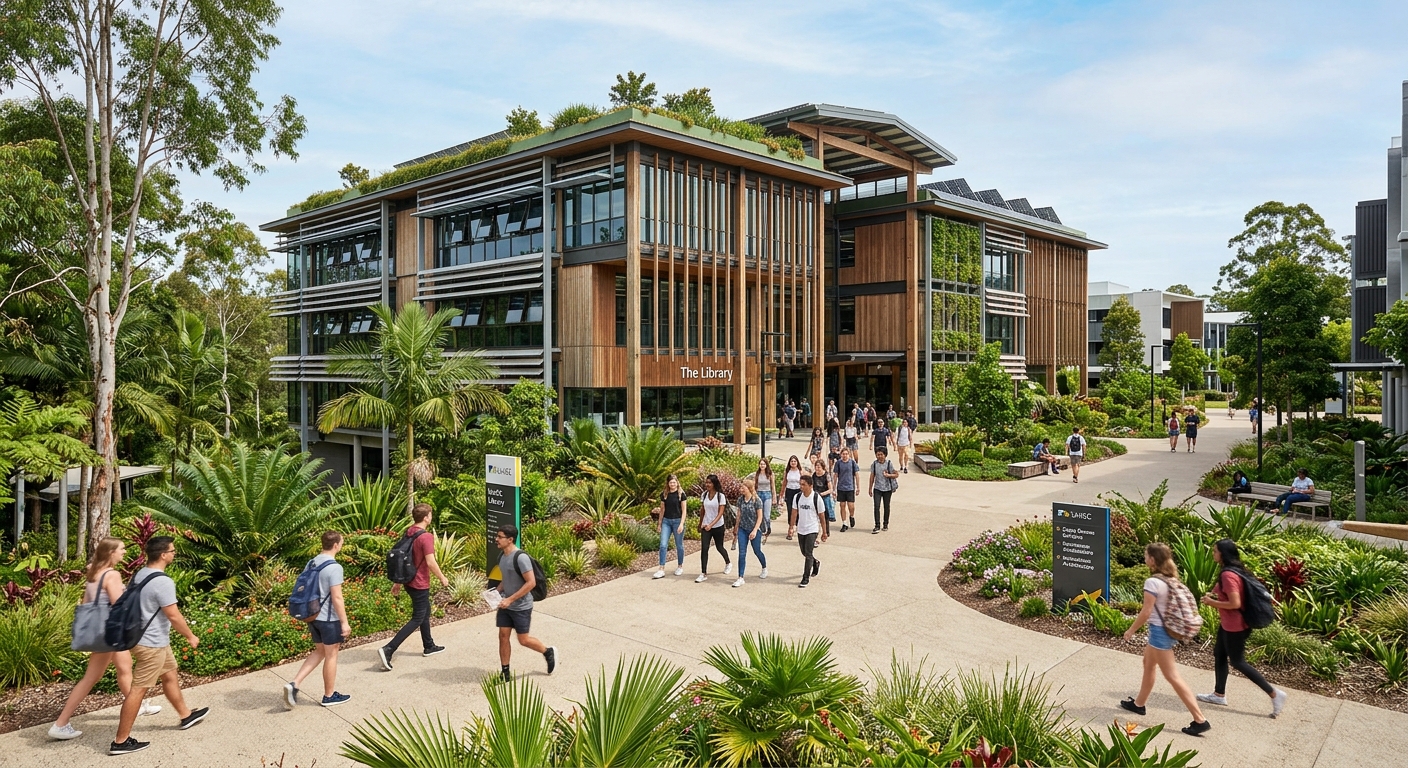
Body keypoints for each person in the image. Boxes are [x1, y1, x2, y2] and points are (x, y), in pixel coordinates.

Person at [49, 538, 161, 741]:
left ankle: (137, 704)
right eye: (121, 549)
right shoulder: (111, 575)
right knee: (91, 678)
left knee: (125, 667)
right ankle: (61, 723)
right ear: (111, 553)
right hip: (109, 632)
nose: (124, 552)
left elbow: (86, 603)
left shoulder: (93, 571)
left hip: (101, 630)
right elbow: (119, 605)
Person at [109, 536, 209, 756]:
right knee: (138, 691)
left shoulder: (140, 574)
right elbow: (172, 614)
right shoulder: (163, 582)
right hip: (150, 644)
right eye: (173, 551)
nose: (174, 554)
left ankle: (185, 715)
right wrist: (190, 636)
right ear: (163, 555)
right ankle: (120, 741)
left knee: (170, 675)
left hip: (151, 640)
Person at [1120, 543, 1211, 738]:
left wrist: (1130, 630)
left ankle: (1199, 719)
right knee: (1148, 664)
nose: (1145, 558)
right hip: (1163, 631)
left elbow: (1146, 612)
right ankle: (1139, 704)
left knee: (1172, 676)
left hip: (1160, 633)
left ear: (1152, 560)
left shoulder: (1153, 582)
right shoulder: (1171, 580)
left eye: (1146, 556)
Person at [1198, 539, 1287, 717]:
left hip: (1235, 626)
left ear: (1222, 554)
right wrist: (1213, 594)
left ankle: (1275, 694)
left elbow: (1235, 602)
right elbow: (1226, 590)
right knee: (1220, 654)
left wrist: (1211, 602)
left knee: (1238, 662)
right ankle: (1218, 694)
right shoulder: (1234, 570)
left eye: (1215, 551)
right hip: (1229, 624)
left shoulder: (1228, 575)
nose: (1213, 554)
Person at [284, 531, 352, 709]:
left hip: (312, 616)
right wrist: (344, 622)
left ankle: (295, 683)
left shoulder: (312, 562)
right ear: (336, 545)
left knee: (320, 651)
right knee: (331, 654)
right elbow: (337, 598)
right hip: (328, 619)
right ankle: (329, 696)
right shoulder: (335, 567)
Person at [377, 503, 449, 671]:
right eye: (430, 514)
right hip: (419, 582)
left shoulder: (409, 532)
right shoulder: (426, 537)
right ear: (426, 518)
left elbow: (403, 557)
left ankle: (429, 646)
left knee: (425, 612)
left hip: (408, 581)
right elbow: (430, 562)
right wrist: (442, 577)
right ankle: (389, 649)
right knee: (418, 617)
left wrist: (398, 583)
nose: (431, 517)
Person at [493, 525, 556, 682]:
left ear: (510, 539)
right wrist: (496, 592)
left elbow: (531, 583)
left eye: (500, 537)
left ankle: (547, 652)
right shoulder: (502, 557)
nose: (496, 539)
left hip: (521, 606)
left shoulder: (521, 558)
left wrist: (510, 599)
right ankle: (505, 672)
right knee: (503, 636)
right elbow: (506, 579)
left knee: (523, 640)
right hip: (506, 606)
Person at [788, 474, 829, 588]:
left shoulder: (816, 498)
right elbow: (794, 513)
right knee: (804, 552)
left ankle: (805, 578)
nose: (801, 487)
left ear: (810, 486)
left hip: (812, 528)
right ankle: (815, 563)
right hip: (801, 528)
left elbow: (822, 517)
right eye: (800, 484)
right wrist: (791, 527)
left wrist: (824, 532)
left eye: (803, 485)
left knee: (808, 553)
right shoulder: (797, 497)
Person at [696, 474, 732, 582]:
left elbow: (720, 513)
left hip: (717, 526)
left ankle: (728, 562)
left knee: (719, 547)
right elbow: (703, 510)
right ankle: (703, 573)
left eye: (709, 483)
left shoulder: (720, 496)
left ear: (714, 484)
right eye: (706, 482)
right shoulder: (704, 495)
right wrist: (700, 523)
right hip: (705, 525)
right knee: (704, 548)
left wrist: (711, 525)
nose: (707, 484)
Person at [732, 478, 768, 586]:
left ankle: (764, 567)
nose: (741, 488)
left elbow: (760, 517)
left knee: (757, 551)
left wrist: (755, 530)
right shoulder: (740, 500)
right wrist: (736, 527)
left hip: (754, 529)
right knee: (742, 553)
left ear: (749, 488)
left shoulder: (757, 500)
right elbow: (738, 515)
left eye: (743, 486)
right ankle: (740, 577)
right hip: (743, 529)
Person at [654, 474, 688, 579]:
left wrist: (682, 524)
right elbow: (662, 510)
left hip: (677, 521)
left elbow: (684, 510)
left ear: (677, 482)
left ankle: (680, 566)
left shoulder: (681, 494)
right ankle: (661, 568)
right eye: (670, 482)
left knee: (679, 545)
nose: (672, 484)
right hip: (666, 522)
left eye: (674, 482)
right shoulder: (664, 494)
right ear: (668, 483)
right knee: (663, 545)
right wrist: (659, 523)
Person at [868, 446, 900, 533]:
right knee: (876, 506)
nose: (879, 456)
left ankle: (885, 524)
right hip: (877, 488)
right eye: (878, 454)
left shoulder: (889, 463)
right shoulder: (874, 464)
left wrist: (888, 475)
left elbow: (896, 474)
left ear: (885, 455)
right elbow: (872, 477)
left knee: (886, 506)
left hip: (887, 489)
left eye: (881, 454)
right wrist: (870, 488)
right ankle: (877, 525)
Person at [749, 459, 777, 541]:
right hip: (759, 494)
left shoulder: (770, 474)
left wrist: (774, 497)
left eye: (764, 464)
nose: (762, 466)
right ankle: (762, 529)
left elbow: (773, 486)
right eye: (761, 464)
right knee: (759, 514)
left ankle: (768, 527)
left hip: (767, 494)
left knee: (766, 515)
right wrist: (754, 496)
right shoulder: (756, 474)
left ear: (766, 465)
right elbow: (754, 486)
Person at [834, 447, 860, 532]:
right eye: (843, 454)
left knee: (851, 506)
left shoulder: (852, 463)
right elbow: (835, 475)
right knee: (842, 505)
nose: (844, 456)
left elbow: (856, 475)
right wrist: (834, 487)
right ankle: (844, 523)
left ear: (849, 454)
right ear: (841, 454)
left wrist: (858, 487)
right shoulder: (838, 463)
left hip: (850, 487)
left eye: (846, 454)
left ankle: (851, 516)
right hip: (841, 487)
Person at [782, 455, 804, 539]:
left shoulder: (800, 471)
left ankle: (798, 528)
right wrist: (781, 494)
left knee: (798, 510)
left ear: (797, 462)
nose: (793, 463)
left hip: (798, 491)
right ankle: (791, 527)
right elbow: (784, 482)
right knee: (790, 510)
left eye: (795, 461)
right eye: (792, 461)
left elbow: (804, 483)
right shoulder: (787, 471)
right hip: (789, 491)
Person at [812, 457, 836, 526]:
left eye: (819, 467)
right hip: (816, 496)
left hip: (825, 496)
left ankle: (826, 529)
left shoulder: (826, 475)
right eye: (816, 466)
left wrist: (822, 494)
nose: (817, 468)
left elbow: (830, 489)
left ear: (822, 467)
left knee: (826, 514)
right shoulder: (814, 475)